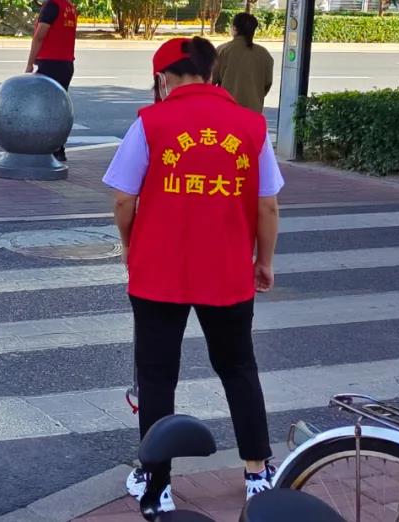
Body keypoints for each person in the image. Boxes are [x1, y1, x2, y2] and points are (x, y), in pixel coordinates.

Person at [102, 37, 283, 516]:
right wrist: (264, 261)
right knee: (239, 368)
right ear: (212, 73)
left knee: (157, 375)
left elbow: (123, 199)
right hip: (227, 271)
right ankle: (257, 472)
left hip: (158, 271)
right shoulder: (250, 126)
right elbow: (267, 205)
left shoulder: (150, 123)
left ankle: (157, 483)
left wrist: (130, 244)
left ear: (163, 78)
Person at [25, 0, 78, 162]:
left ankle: (48, 146)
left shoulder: (51, 6)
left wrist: (29, 64)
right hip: (66, 64)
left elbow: (40, 36)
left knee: (46, 107)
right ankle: (59, 148)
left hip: (50, 64)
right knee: (59, 107)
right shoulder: (69, 7)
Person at [214, 12, 274, 114]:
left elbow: (210, 80)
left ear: (234, 28)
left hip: (226, 110)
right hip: (253, 112)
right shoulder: (264, 54)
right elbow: (267, 84)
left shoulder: (222, 50)